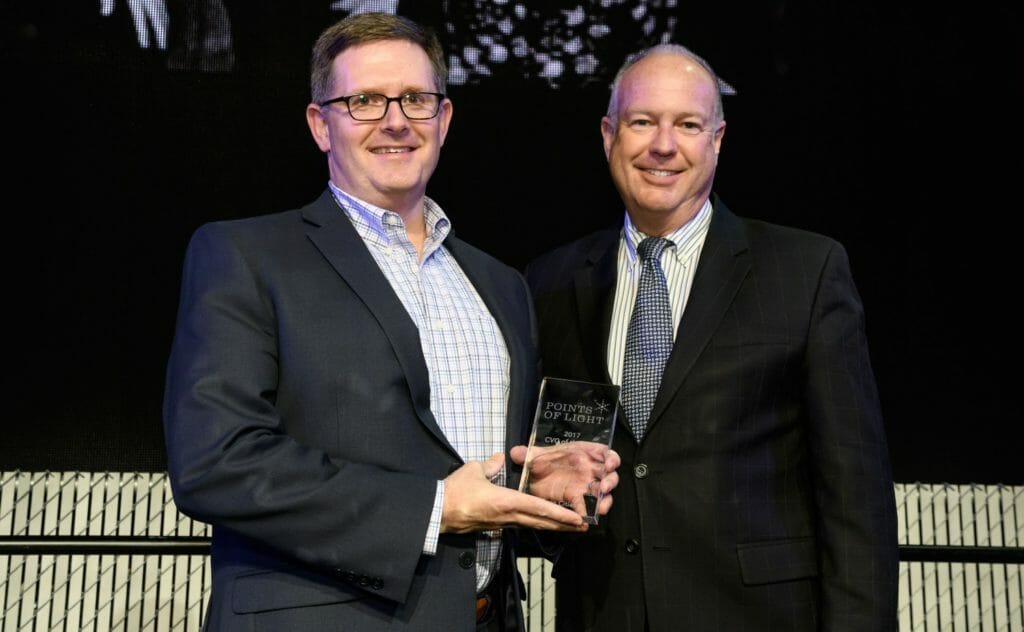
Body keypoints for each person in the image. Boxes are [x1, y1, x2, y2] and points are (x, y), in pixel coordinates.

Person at [162, 12, 618, 632]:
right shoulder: (245, 256)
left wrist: (536, 484)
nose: (396, 120)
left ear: (445, 119)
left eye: (415, 99)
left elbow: (476, 471)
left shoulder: (501, 286)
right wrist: (434, 508)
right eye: (365, 101)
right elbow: (216, 463)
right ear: (321, 125)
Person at [524, 43, 899, 631]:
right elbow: (547, 465)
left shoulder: (804, 271)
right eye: (642, 122)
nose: (663, 145)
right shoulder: (548, 282)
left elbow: (857, 499)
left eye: (688, 125)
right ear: (608, 135)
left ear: (717, 140)